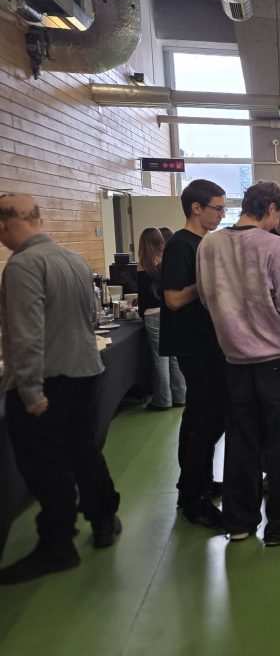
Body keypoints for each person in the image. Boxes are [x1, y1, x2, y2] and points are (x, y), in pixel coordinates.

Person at [0, 194, 121, 584]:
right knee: (84, 451)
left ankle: (57, 544)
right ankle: (104, 518)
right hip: (85, 371)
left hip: (50, 380)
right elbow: (90, 318)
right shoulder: (73, 259)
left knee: (45, 465)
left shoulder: (23, 266)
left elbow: (25, 336)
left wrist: (30, 391)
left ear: (5, 225)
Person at [196, 182, 280, 546]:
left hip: (234, 359)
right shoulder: (275, 245)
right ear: (272, 209)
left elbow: (206, 296)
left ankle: (240, 522)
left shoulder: (209, 244)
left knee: (241, 442)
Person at [161, 178, 228, 530]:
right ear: (196, 208)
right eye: (217, 208)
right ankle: (193, 497)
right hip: (194, 344)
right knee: (205, 419)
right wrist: (205, 286)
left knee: (204, 417)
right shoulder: (180, 245)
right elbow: (173, 299)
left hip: (210, 342)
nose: (221, 215)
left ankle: (197, 481)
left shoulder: (205, 243)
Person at [137, 227, 186, 411]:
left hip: (152, 314)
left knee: (160, 358)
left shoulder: (144, 265)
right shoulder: (166, 261)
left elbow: (143, 297)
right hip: (169, 310)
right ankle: (180, 394)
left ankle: (163, 399)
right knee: (174, 356)